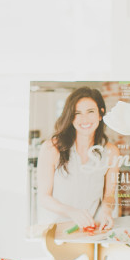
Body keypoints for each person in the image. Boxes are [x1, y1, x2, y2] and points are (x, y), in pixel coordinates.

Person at [35, 86, 119, 235]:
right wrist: (71, 212)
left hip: (91, 230)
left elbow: (109, 195)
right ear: (70, 117)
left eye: (90, 112)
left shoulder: (111, 152)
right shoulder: (51, 148)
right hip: (55, 229)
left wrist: (106, 210)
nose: (84, 119)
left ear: (101, 114)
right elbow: (44, 198)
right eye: (77, 113)